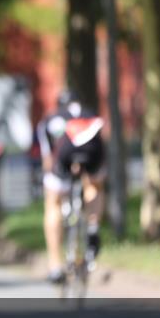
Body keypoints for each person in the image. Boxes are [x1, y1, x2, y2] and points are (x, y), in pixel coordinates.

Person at [36, 89, 106, 284]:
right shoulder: (91, 113)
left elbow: (48, 158)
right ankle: (93, 226)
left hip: (65, 154)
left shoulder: (51, 119)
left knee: (54, 203)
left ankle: (55, 265)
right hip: (92, 152)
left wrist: (50, 176)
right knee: (94, 186)